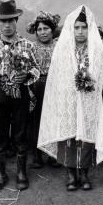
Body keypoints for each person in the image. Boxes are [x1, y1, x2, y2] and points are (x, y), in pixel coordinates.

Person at [37, 5, 103, 191]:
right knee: (68, 136)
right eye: (76, 27)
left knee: (86, 136)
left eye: (83, 27)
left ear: (89, 28)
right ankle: (70, 174)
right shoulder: (62, 50)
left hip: (88, 100)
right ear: (71, 29)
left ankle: (84, 173)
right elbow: (57, 77)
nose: (80, 31)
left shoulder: (96, 50)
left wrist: (91, 81)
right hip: (67, 100)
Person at [0, 0, 40, 191]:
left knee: (21, 134)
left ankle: (21, 173)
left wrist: (26, 76)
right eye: (3, 21)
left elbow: (37, 70)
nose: (6, 25)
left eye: (10, 20)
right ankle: (1, 174)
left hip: (20, 94)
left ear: (16, 20)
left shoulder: (27, 45)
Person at [26, 11, 61, 168]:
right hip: (37, 86)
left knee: (54, 120)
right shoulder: (31, 48)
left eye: (46, 28)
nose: (43, 32)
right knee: (36, 121)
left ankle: (54, 154)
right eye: (39, 29)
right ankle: (37, 155)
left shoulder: (60, 46)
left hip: (56, 86)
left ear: (52, 29)